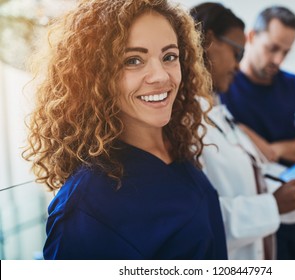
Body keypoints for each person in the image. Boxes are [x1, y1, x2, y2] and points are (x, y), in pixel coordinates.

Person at [22, 0, 227, 260]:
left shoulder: (176, 148)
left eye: (169, 57)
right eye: (133, 60)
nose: (161, 76)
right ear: (96, 75)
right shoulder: (86, 207)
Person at [190, 2, 295, 260]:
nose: (237, 65)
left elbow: (248, 176)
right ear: (208, 41)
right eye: (237, 53)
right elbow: (198, 221)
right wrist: (273, 205)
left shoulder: (218, 110)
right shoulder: (186, 124)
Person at [221, 6, 295, 260]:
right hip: (255, 216)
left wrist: (274, 149)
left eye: (286, 52)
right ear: (252, 37)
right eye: (273, 48)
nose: (279, 60)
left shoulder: (294, 85)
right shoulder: (224, 89)